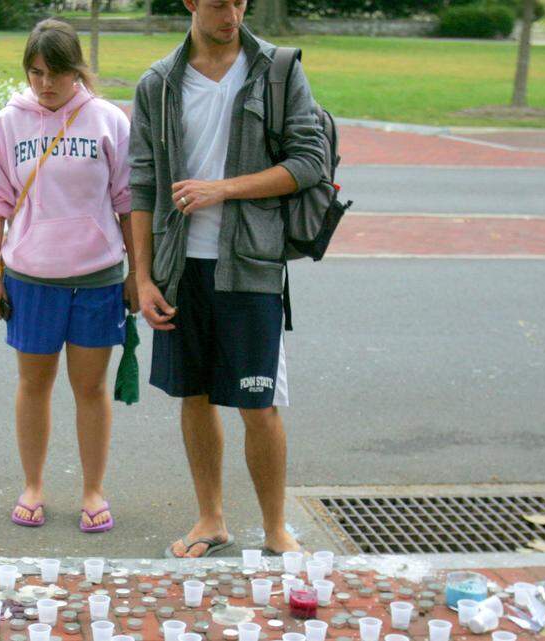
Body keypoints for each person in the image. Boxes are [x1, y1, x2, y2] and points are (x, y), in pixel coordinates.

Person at [128, 0, 325, 556]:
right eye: (219, 2)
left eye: (241, 1)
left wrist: (223, 187)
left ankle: (275, 529)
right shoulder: (159, 84)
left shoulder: (278, 69)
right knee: (194, 395)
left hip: (252, 264)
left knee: (258, 402)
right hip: (178, 264)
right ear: (190, 1)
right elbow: (141, 183)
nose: (232, 13)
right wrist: (142, 278)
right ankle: (210, 519)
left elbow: (310, 161)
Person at [0, 19, 137, 533]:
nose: (45, 84)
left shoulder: (108, 121)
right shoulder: (9, 123)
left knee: (91, 388)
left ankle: (93, 488)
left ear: (77, 72)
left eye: (57, 73)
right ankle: (34, 484)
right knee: (34, 384)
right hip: (31, 277)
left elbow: (128, 203)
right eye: (36, 72)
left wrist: (138, 274)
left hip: (97, 277)